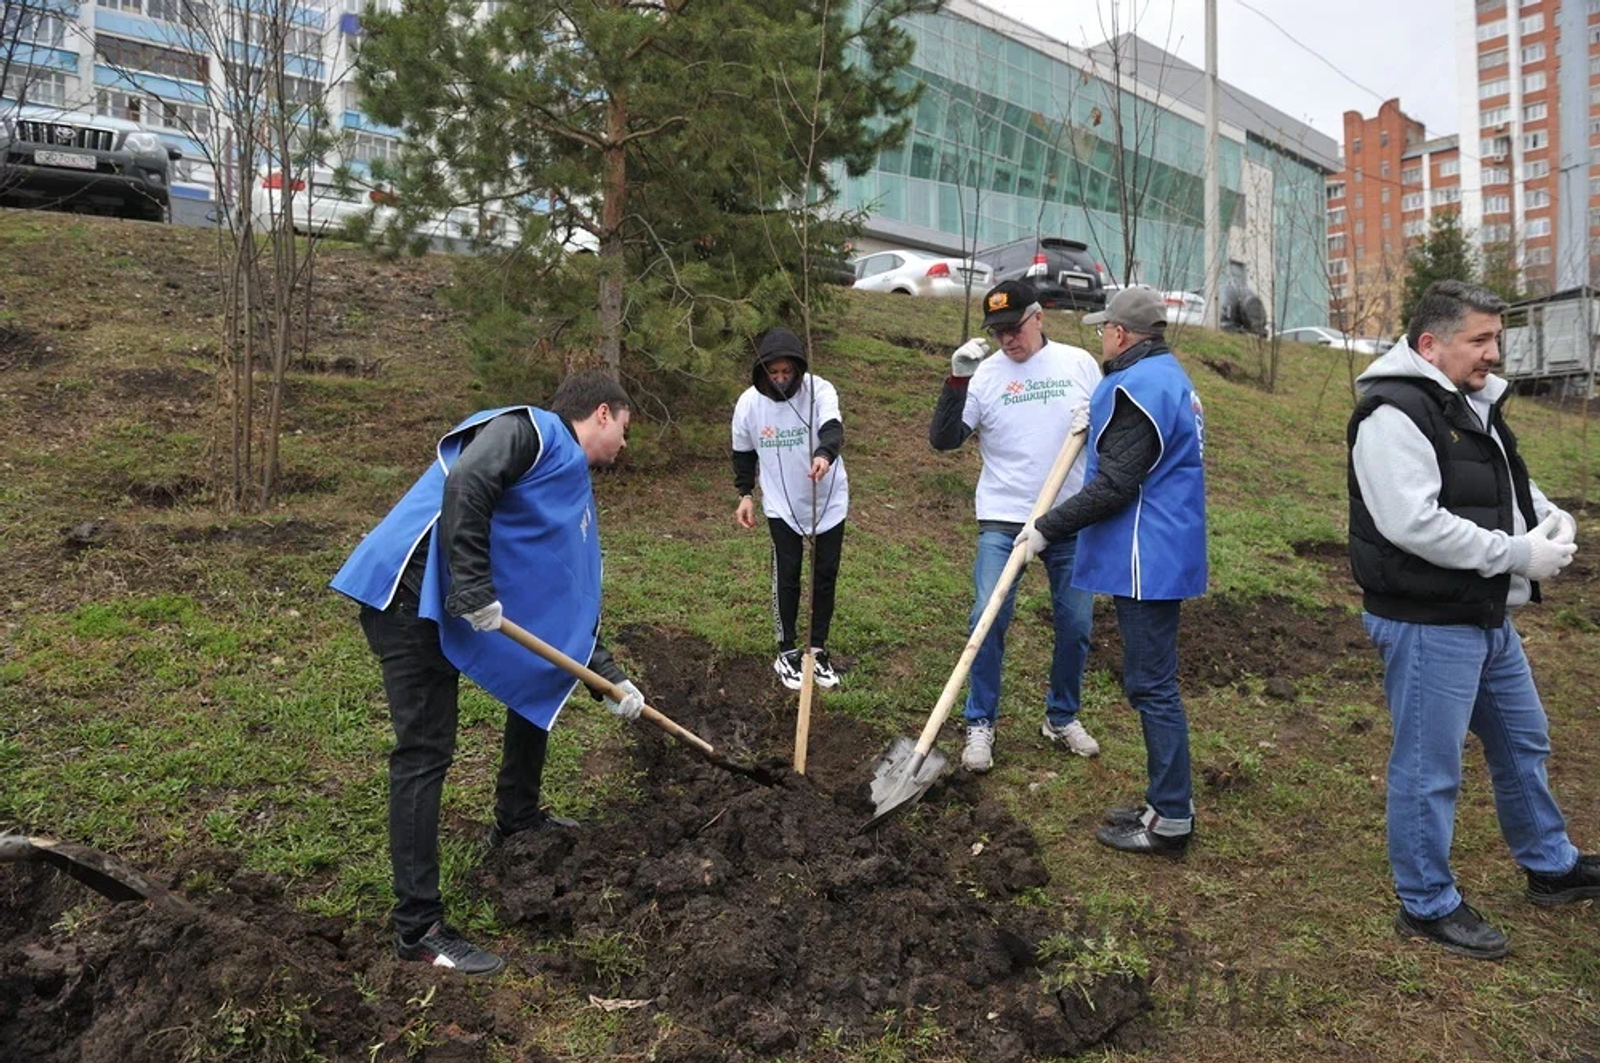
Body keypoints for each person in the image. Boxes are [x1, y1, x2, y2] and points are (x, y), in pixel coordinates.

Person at [330, 371, 646, 976]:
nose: (624, 446)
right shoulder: (533, 430)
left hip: (449, 596)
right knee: (425, 749)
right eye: (625, 431)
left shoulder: (563, 489)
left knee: (541, 676)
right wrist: (472, 585)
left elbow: (560, 597)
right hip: (408, 592)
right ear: (601, 414)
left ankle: (517, 818)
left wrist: (605, 675)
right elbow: (470, 480)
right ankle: (418, 931)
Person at [1348, 279, 1598, 960]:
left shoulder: (1470, 403)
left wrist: (1546, 514)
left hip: (1482, 612)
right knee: (1431, 767)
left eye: (1497, 337)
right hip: (1429, 618)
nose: (1495, 353)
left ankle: (1550, 865)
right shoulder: (1393, 412)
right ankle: (1426, 902)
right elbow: (1412, 523)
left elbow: (1503, 484)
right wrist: (1520, 552)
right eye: (1480, 340)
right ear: (1431, 344)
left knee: (1524, 740)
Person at [1017, 286, 1206, 856]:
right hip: (1162, 546)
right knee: (1152, 684)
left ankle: (1171, 818)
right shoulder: (1164, 377)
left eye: (1104, 328)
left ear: (1121, 334)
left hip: (1149, 553)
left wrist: (1048, 526)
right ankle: (1163, 801)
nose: (1100, 335)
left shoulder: (1139, 387)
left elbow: (1116, 484)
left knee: (1152, 686)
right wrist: (1101, 407)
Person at [930, 279, 1103, 772]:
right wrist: (956, 382)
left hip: (1066, 517)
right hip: (1004, 519)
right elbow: (944, 441)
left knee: (1075, 625)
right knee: (987, 617)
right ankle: (980, 724)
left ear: (1038, 317)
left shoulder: (1078, 364)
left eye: (1014, 327)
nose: (1008, 339)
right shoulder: (984, 375)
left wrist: (1100, 419)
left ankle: (1061, 716)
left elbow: (1110, 439)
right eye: (998, 331)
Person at [731, 327, 849, 690]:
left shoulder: (820, 390)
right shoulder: (749, 403)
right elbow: (743, 452)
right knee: (788, 573)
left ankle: (817, 649)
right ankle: (787, 652)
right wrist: (745, 493)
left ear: (798, 370)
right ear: (763, 372)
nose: (781, 380)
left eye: (788, 373)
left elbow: (832, 428)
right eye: (774, 373)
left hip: (827, 497)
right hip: (781, 503)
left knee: (824, 573)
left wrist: (824, 455)